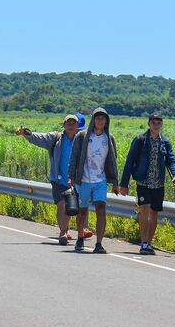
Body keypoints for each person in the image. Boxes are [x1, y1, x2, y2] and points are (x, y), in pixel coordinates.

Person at [16, 113, 92, 245]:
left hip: (75, 180)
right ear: (64, 125)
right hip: (58, 179)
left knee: (71, 206)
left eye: (74, 123)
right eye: (68, 122)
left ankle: (69, 230)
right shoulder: (56, 138)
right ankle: (63, 232)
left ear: (78, 126)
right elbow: (39, 137)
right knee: (62, 205)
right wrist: (26, 133)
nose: (71, 125)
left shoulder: (82, 140)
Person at [118, 113, 175, 255]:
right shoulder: (140, 140)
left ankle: (148, 243)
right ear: (149, 123)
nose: (156, 125)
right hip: (143, 181)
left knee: (154, 213)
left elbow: (172, 160)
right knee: (145, 209)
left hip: (158, 184)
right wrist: (124, 183)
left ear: (161, 124)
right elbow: (129, 162)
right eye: (154, 122)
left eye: (159, 122)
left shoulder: (165, 143)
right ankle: (144, 243)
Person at [68, 107, 119, 254]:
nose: (100, 121)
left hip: (100, 180)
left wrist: (115, 182)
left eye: (103, 118)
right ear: (93, 120)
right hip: (83, 180)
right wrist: (71, 177)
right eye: (98, 118)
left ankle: (99, 243)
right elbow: (74, 157)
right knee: (82, 212)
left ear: (106, 121)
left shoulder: (109, 139)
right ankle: (80, 237)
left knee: (101, 210)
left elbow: (113, 161)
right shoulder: (82, 137)